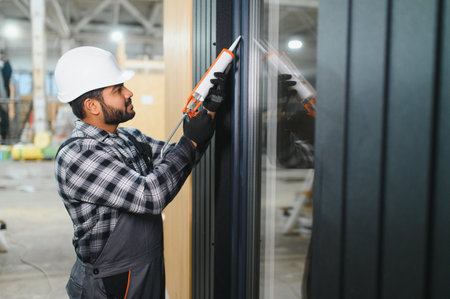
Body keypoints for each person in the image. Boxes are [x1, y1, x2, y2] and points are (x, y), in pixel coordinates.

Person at [54, 46, 227, 298]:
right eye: (117, 90)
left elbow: (180, 160)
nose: (129, 92)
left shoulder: (129, 137)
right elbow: (151, 195)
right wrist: (189, 142)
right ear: (92, 105)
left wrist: (209, 111)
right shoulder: (78, 155)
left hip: (147, 269)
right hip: (110, 283)